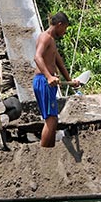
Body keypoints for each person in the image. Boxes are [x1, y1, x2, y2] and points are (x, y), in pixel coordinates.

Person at [33, 12, 81, 148]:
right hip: (43, 80)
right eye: (65, 28)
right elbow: (37, 57)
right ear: (59, 25)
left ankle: (48, 151)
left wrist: (71, 82)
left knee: (52, 118)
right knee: (51, 119)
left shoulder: (52, 41)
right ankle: (46, 153)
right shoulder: (45, 37)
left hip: (48, 81)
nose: (65, 32)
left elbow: (59, 63)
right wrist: (49, 76)